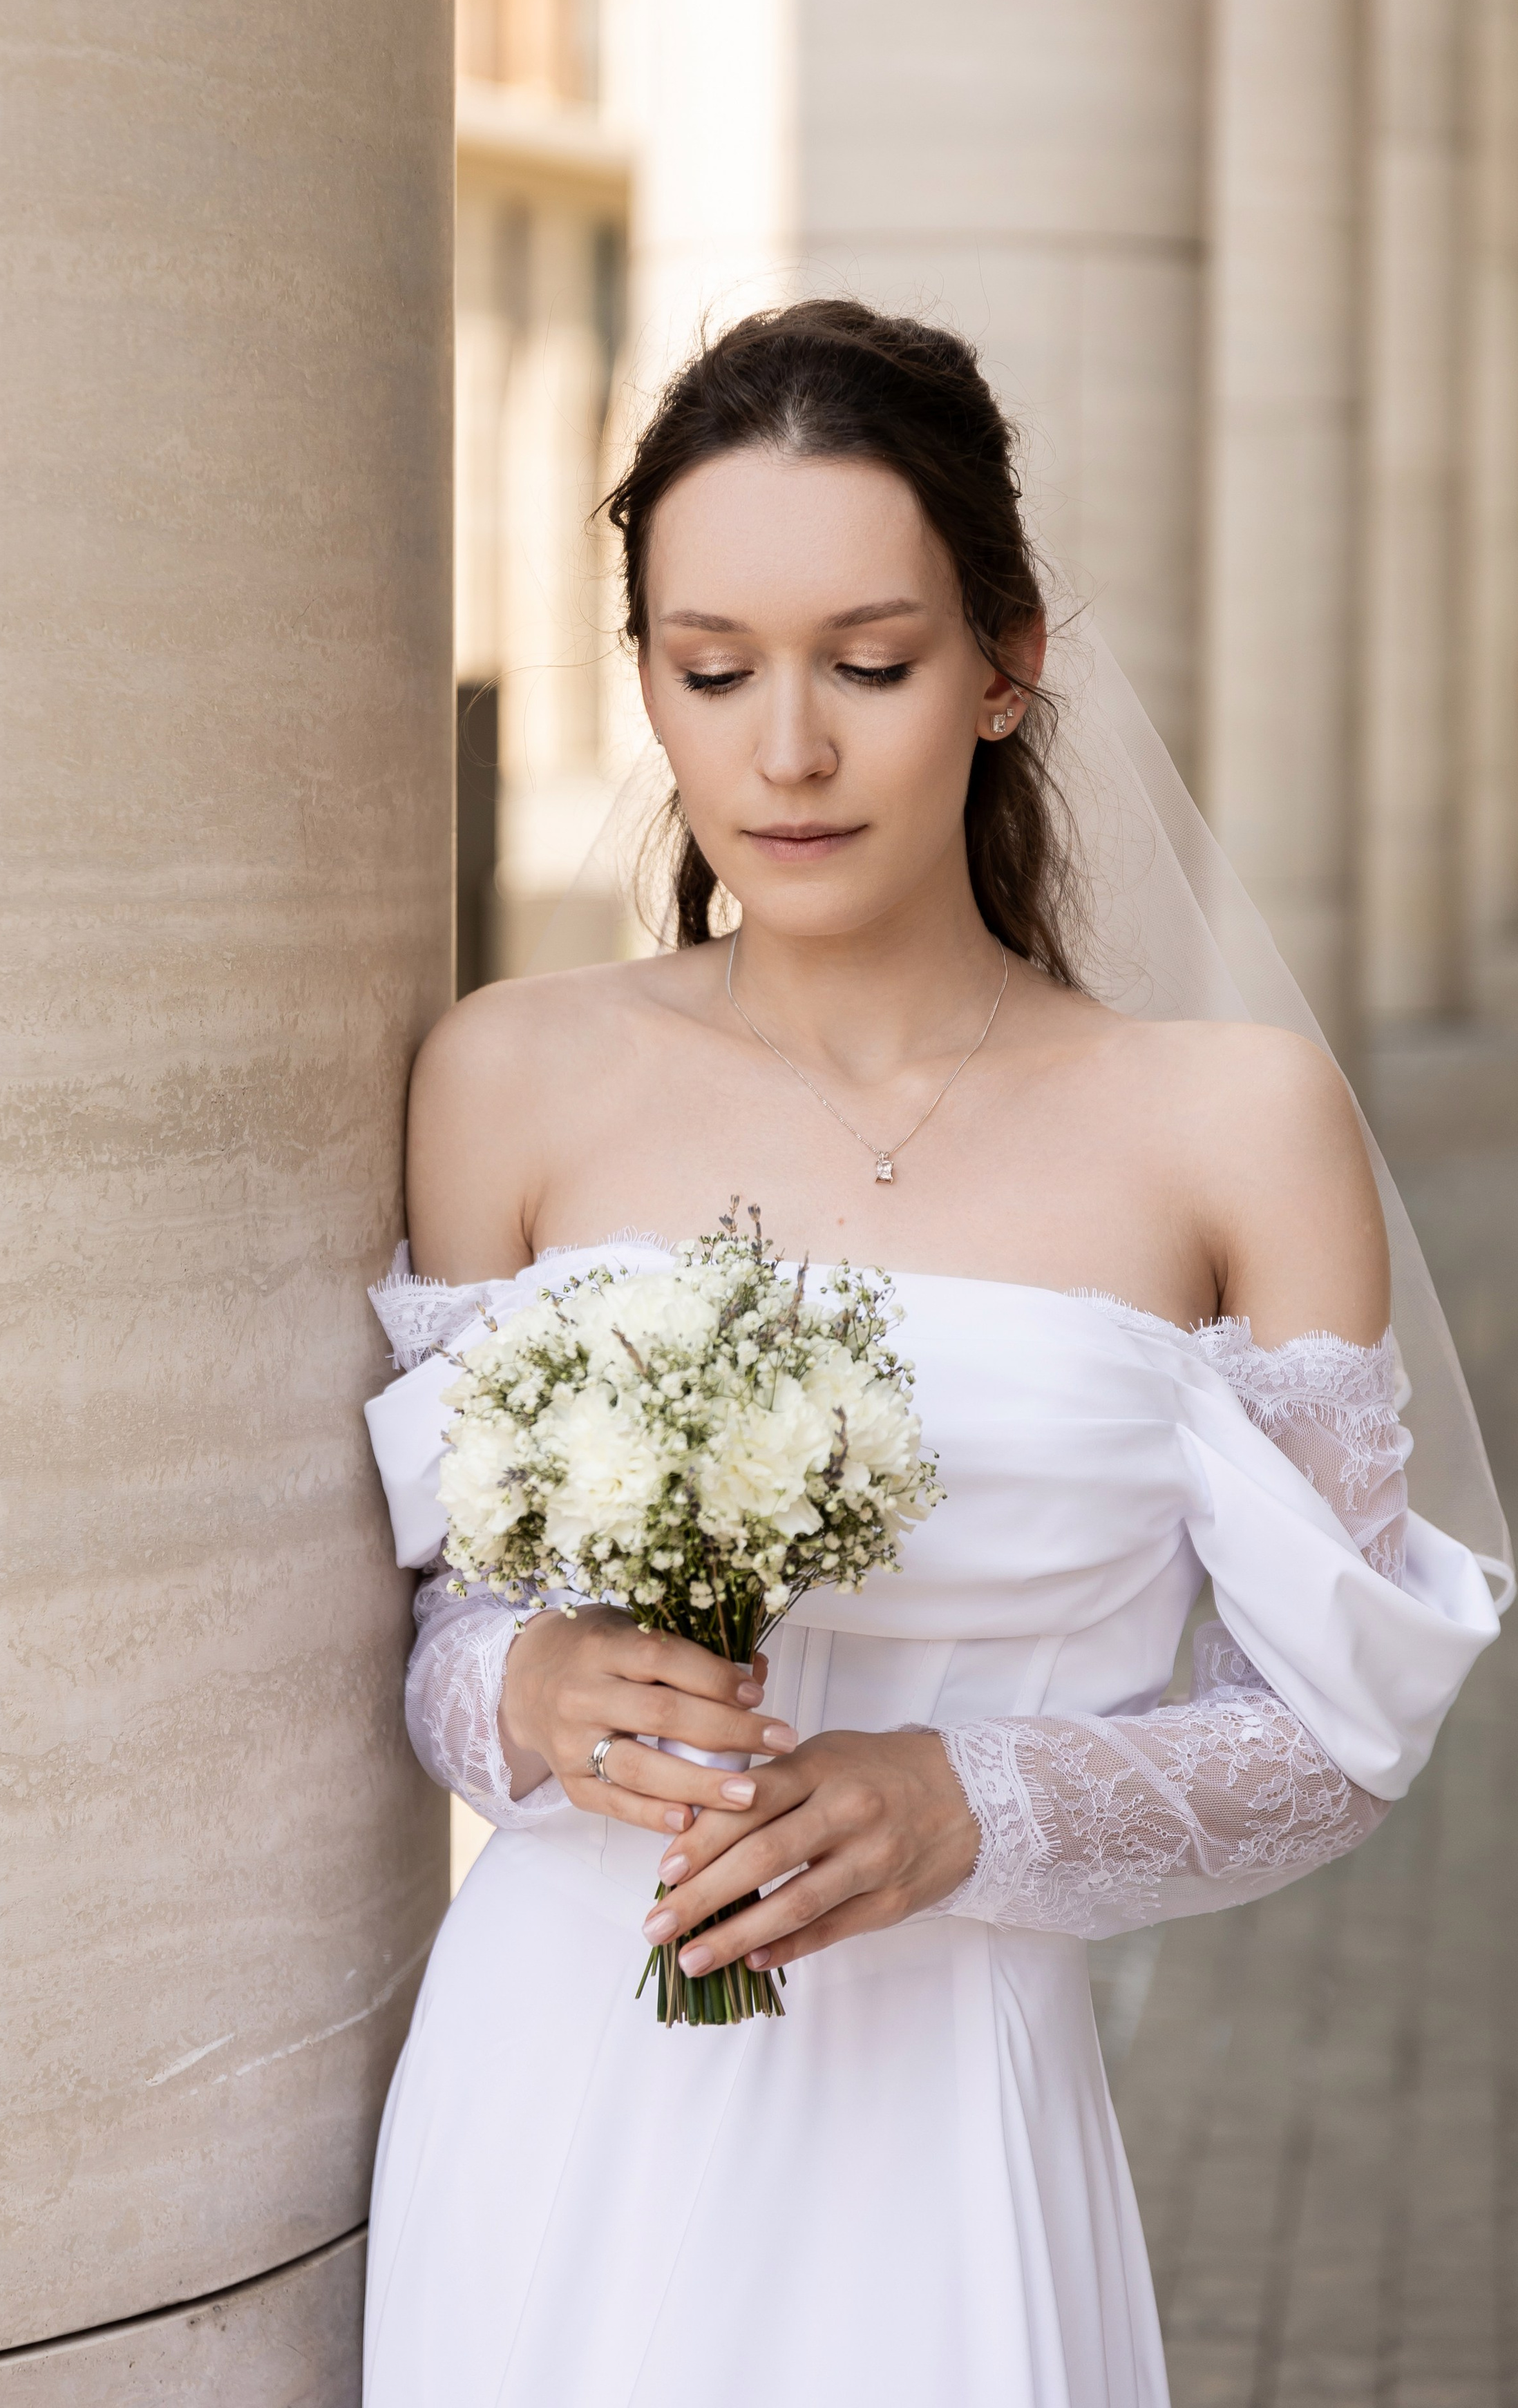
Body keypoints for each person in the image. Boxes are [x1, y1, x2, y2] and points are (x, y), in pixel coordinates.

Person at [360, 301, 1501, 2407]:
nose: (784, 751)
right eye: (711, 673)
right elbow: (439, 1631)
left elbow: (1334, 1734)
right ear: (649, 683)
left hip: (950, 2139)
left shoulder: (1232, 1121)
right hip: (551, 2104)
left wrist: (966, 1801)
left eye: (868, 665)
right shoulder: (505, 1075)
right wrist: (526, 1684)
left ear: (1007, 666)